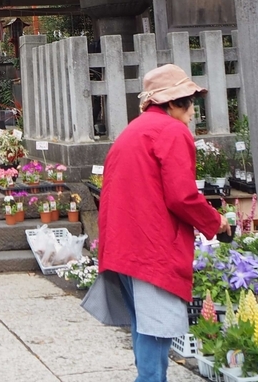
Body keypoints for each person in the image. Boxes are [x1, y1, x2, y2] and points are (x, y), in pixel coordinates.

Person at [97, 64, 229, 382]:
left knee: (145, 330)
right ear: (170, 103)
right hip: (152, 249)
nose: (191, 109)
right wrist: (217, 222)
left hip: (122, 245)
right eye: (186, 100)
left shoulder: (134, 130)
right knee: (157, 334)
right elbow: (182, 197)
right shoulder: (171, 131)